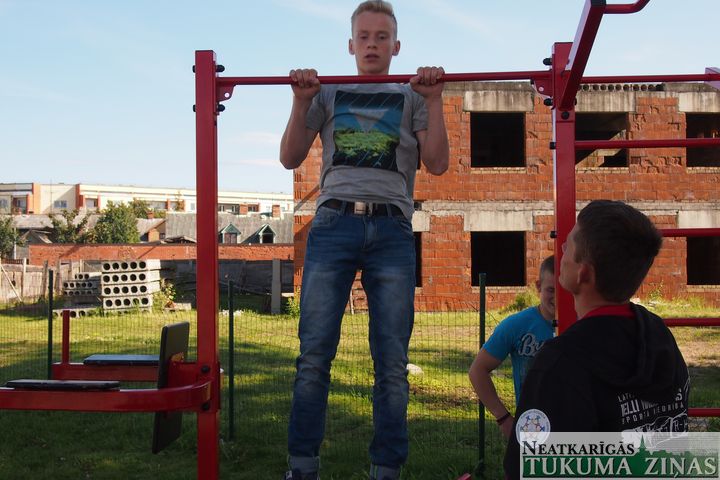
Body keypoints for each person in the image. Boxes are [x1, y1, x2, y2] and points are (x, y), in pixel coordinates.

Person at [279, 1, 449, 479]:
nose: (373, 45)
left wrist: (436, 101)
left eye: (382, 37)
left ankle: (386, 469)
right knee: (314, 354)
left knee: (392, 361)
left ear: (396, 46)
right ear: (351, 45)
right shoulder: (328, 93)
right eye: (365, 37)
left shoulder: (412, 95)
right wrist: (299, 101)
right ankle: (302, 467)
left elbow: (437, 164)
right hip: (334, 223)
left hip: (392, 228)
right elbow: (290, 157)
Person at [504, 200, 689, 479]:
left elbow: (526, 468)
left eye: (568, 246)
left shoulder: (560, 363)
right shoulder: (659, 334)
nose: (561, 251)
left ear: (583, 273)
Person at [468, 255, 556, 439]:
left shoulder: (584, 324)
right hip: (534, 425)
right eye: (551, 290)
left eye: (564, 290)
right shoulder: (518, 325)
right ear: (538, 286)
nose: (557, 298)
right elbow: (477, 370)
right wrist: (504, 419)